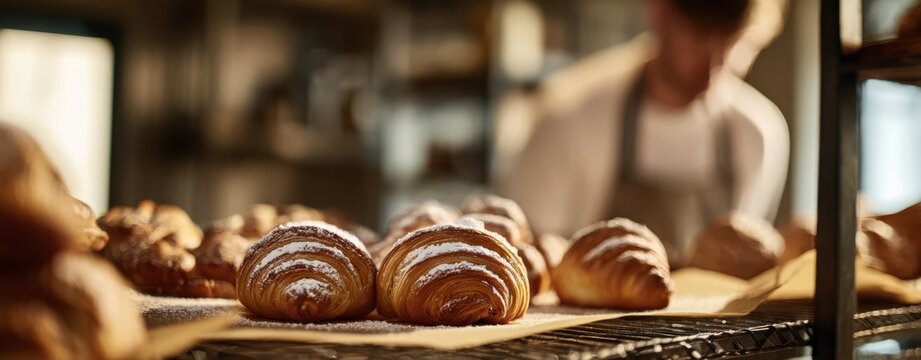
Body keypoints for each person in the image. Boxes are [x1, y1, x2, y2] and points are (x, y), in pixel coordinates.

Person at [502, 0, 790, 267]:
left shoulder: (759, 134)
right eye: (700, 37)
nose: (715, 66)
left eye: (736, 44)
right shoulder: (569, 121)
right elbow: (529, 262)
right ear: (659, 11)